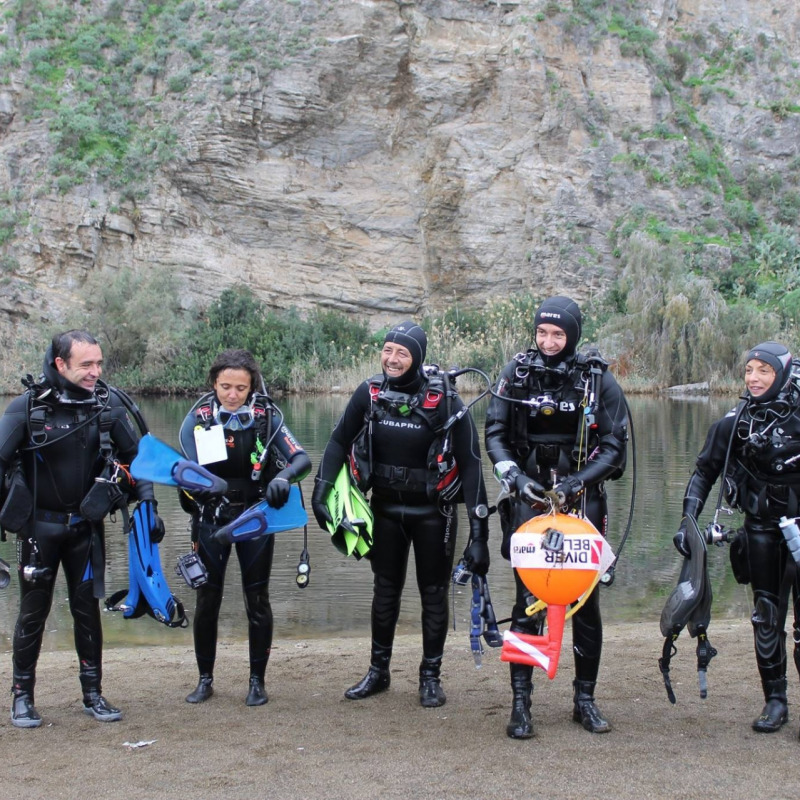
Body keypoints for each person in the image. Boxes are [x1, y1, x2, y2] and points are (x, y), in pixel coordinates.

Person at [311, 321, 490, 708]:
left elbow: (472, 465)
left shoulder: (445, 400)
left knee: (433, 594)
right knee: (385, 591)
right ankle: (379, 672)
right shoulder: (371, 393)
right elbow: (339, 440)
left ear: (418, 357)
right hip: (385, 509)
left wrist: (480, 535)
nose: (392, 359)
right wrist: (321, 490)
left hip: (434, 514)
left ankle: (430, 677)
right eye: (388, 350)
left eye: (402, 353)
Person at [0, 330, 160, 728]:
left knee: (87, 611)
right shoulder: (26, 409)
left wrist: (149, 506)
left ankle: (93, 693)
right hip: (39, 531)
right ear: (60, 364)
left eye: (99, 363)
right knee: (32, 613)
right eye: (86, 364)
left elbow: (138, 460)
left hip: (85, 531)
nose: (96, 372)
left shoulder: (107, 407)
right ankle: (22, 698)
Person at [484, 296, 628, 738]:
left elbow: (615, 447)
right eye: (542, 333)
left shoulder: (596, 379)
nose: (548, 342)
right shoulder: (517, 373)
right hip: (529, 497)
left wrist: (577, 482)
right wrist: (513, 476)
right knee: (529, 601)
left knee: (585, 604)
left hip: (582, 499)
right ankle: (521, 704)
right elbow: (495, 432)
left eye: (558, 334)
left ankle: (584, 699)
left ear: (573, 336)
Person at [673, 341, 800, 734]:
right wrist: (688, 522)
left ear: (782, 374)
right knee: (765, 617)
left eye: (764, 370)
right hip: (760, 529)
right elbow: (704, 471)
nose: (754, 378)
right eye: (749, 370)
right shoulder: (736, 421)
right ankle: (775, 702)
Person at [178, 348, 311, 707]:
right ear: (213, 384)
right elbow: (184, 471)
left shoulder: (267, 417)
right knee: (207, 599)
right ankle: (205, 679)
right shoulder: (199, 420)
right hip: (211, 519)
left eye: (241, 388)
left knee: (258, 599)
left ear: (252, 387)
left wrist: (283, 477)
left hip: (255, 518)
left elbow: (302, 459)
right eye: (225, 387)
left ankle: (257, 681)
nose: (233, 395)